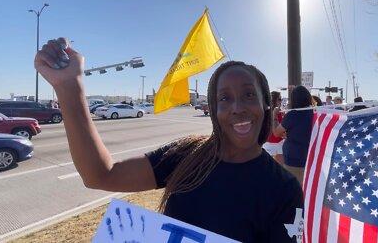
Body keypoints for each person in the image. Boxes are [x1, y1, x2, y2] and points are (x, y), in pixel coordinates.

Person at [34, 38, 303, 243]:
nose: (237, 108)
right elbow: (100, 175)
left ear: (266, 105)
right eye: (224, 98)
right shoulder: (187, 155)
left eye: (248, 95)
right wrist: (69, 86)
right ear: (213, 107)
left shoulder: (284, 189)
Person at [273, 85, 313, 184]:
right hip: (310, 158)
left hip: (293, 160)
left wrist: (274, 117)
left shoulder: (292, 115)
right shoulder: (314, 113)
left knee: (293, 191)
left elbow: (276, 133)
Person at [263, 91, 285, 164]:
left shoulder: (280, 112)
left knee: (280, 168)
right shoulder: (266, 112)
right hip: (269, 143)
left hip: (279, 142)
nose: (281, 101)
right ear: (274, 100)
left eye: (281, 99)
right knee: (267, 169)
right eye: (279, 99)